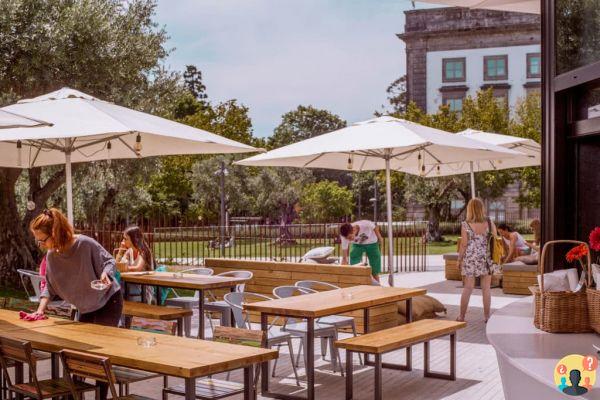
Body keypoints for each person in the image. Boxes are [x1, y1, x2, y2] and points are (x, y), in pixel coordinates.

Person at [29, 208, 122, 400]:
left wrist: (106, 274)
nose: (40, 245)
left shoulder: (85, 244)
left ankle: (101, 396)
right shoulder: (52, 257)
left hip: (108, 301)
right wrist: (39, 310)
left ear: (54, 233)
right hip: (85, 305)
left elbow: (110, 261)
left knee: (100, 354)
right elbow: (49, 287)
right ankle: (72, 396)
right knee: (77, 354)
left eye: (42, 240)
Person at [457, 198, 497, 323]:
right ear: (481, 208)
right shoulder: (489, 222)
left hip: (471, 259)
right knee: (486, 288)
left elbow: (463, 244)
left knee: (468, 288)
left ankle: (462, 317)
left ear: (470, 209)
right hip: (486, 258)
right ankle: (486, 317)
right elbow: (495, 237)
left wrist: (459, 259)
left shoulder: (465, 224)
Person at [116, 225, 155, 302]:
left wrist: (123, 268)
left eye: (125, 239)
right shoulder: (129, 251)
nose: (122, 241)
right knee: (115, 286)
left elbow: (138, 268)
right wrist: (120, 251)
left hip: (143, 289)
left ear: (133, 239)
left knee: (115, 287)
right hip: (130, 285)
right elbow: (117, 264)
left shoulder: (144, 251)